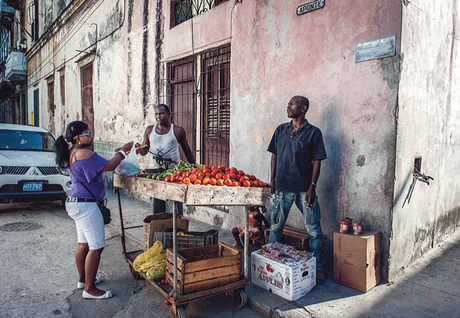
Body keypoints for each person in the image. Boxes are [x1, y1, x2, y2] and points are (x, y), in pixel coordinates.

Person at [55, 121, 133, 299]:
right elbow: (110, 165)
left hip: (75, 203)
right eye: (87, 133)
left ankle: (83, 279)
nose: (91, 135)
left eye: (90, 132)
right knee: (96, 247)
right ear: (77, 138)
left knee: (83, 244)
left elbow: (103, 162)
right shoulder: (84, 153)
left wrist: (120, 151)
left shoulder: (72, 153)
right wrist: (124, 151)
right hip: (86, 206)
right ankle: (89, 289)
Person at [267, 95, 327, 284]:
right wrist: (272, 181)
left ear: (303, 108)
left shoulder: (314, 133)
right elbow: (274, 156)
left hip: (304, 190)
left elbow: (317, 161)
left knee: (314, 230)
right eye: (289, 103)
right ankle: (270, 263)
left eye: (292, 103)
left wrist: (312, 187)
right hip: (281, 188)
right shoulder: (280, 130)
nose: (288, 106)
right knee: (276, 226)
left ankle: (317, 268)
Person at [137, 104, 195, 214]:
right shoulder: (149, 130)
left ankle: (178, 229)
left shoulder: (178, 131)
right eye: (157, 114)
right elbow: (144, 151)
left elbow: (187, 151)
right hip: (156, 173)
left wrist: (194, 168)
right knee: (157, 205)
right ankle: (159, 228)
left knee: (176, 203)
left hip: (174, 173)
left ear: (169, 114)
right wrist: (139, 148)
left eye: (162, 113)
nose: (159, 116)